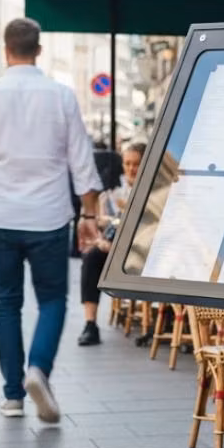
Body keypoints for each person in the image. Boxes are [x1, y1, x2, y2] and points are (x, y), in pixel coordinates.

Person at [0, 18, 101, 422]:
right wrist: (89, 213)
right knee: (52, 300)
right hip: (49, 215)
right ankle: (38, 368)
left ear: (5, 50)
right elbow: (82, 160)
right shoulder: (61, 96)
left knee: (7, 302)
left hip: (2, 214)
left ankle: (12, 396)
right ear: (38, 50)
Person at [78, 142, 139, 347]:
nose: (131, 169)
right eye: (127, 164)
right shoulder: (115, 193)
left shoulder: (151, 193)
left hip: (138, 252)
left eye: (136, 164)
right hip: (115, 250)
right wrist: (103, 238)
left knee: (98, 252)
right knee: (91, 257)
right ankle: (90, 323)